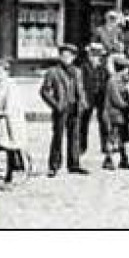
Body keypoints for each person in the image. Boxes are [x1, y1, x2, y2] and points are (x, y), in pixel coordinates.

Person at [39, 43, 87, 176]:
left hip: (75, 107)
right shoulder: (53, 72)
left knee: (75, 136)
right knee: (58, 136)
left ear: (73, 57)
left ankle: (74, 164)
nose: (67, 58)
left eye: (70, 56)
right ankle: (54, 165)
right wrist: (56, 104)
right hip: (61, 108)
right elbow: (44, 91)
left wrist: (82, 102)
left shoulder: (77, 72)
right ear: (60, 56)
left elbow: (81, 88)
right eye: (64, 55)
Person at [0, 60, 30, 187]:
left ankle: (9, 175)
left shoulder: (11, 86)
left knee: (10, 148)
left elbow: (11, 106)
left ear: (5, 72)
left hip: (9, 122)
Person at [79, 43, 113, 170]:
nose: (98, 58)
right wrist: (82, 99)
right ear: (90, 55)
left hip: (101, 98)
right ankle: (81, 147)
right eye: (95, 55)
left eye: (99, 56)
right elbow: (80, 84)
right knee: (83, 123)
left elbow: (108, 82)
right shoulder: (83, 67)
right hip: (88, 98)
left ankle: (106, 149)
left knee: (104, 123)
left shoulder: (103, 69)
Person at [102, 54, 129, 170]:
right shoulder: (113, 81)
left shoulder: (121, 80)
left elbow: (127, 96)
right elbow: (116, 99)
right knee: (112, 138)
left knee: (122, 138)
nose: (128, 71)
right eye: (127, 69)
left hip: (121, 115)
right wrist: (128, 107)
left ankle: (123, 159)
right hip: (113, 114)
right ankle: (108, 159)